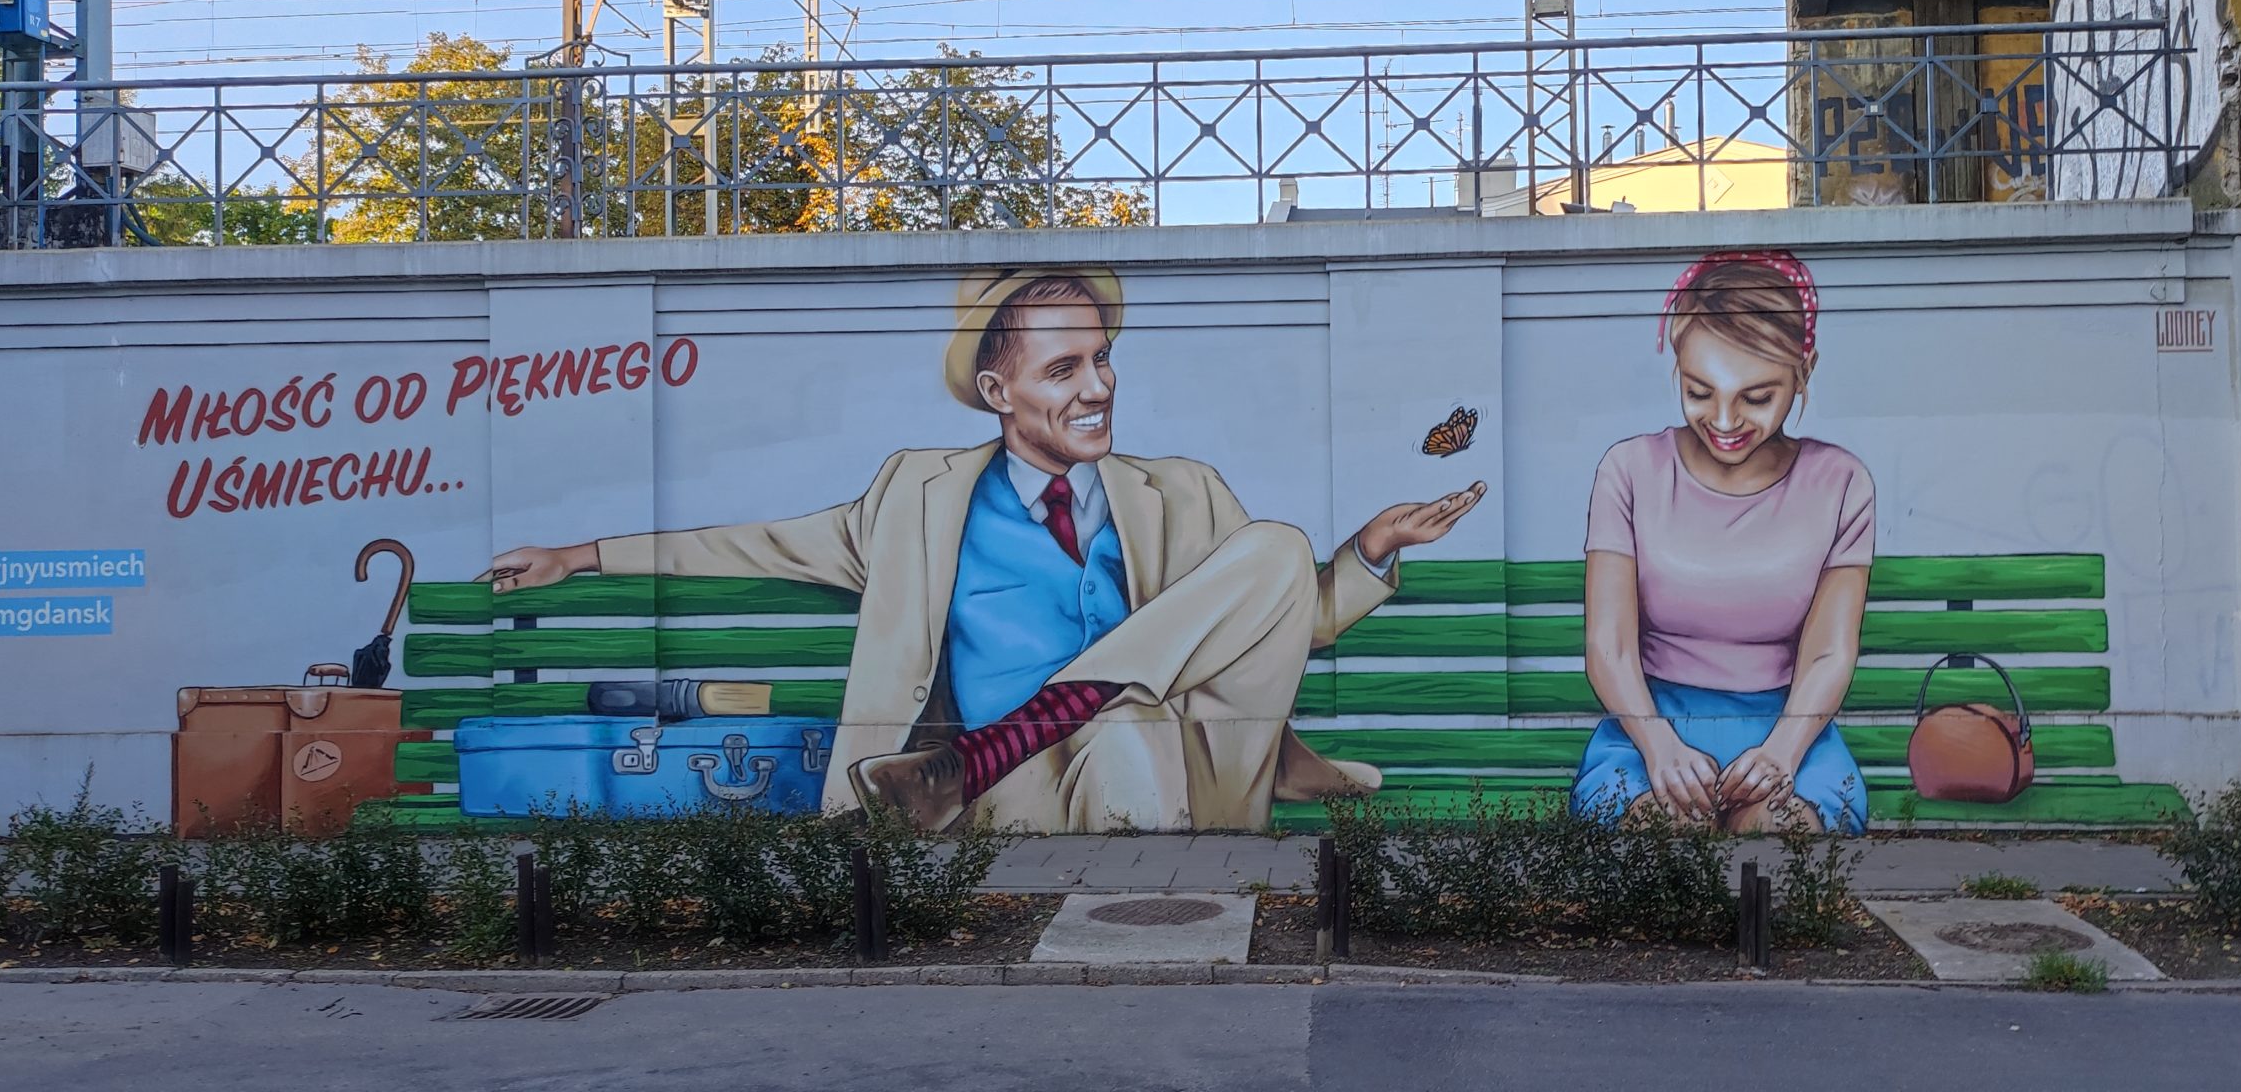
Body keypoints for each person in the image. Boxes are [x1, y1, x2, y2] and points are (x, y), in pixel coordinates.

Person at [484, 267, 1484, 833]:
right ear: (998, 392)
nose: (1098, 388)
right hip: (1014, 792)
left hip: (1173, 762)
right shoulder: (915, 498)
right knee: (1124, 740)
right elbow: (758, 546)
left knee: (1269, 556)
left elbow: (1289, 620)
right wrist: (582, 555)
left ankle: (996, 756)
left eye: (1103, 360)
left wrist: (1369, 551)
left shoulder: (1182, 492)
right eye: (1065, 368)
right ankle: (1010, 760)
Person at [1571, 250, 1871, 835]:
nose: (1725, 421)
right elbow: (1609, 647)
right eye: (1699, 391)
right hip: (1646, 727)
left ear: (1804, 370)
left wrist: (1781, 753)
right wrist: (1659, 746)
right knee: (1662, 830)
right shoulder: (1630, 471)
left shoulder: (1840, 482)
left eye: (1756, 397)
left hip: (1792, 729)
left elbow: (1829, 652)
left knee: (1781, 832)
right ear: (1677, 364)